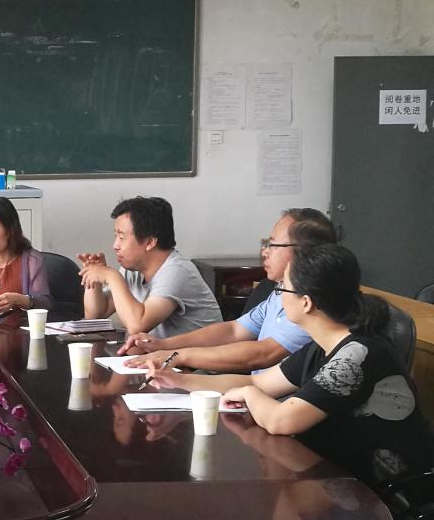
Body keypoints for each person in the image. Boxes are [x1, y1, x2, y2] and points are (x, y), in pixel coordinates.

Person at [147, 243, 433, 488]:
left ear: (306, 303)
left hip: (387, 491)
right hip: (338, 475)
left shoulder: (357, 355)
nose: (277, 295)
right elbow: (258, 382)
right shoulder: (322, 346)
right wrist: (180, 381)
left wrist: (248, 395)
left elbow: (281, 420)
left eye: (282, 288)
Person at [121, 208, 337, 373]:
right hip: (259, 390)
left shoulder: (310, 305)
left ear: (303, 252)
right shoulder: (280, 291)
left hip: (281, 402)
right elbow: (234, 330)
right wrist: (162, 345)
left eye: (272, 245)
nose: (265, 252)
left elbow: (263, 353)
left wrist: (178, 356)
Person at [79, 196, 221, 337]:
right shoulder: (133, 270)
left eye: (121, 237)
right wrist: (94, 281)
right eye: (115, 236)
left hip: (198, 352)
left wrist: (112, 276)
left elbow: (137, 326)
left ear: (150, 242)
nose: (115, 245)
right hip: (158, 351)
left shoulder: (177, 272)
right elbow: (95, 316)